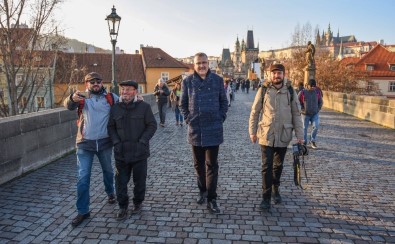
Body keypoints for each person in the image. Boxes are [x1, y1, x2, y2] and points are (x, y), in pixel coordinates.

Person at [64, 72, 117, 227]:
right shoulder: (81, 97)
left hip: (105, 143)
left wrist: (136, 99)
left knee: (108, 171)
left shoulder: (111, 98)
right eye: (92, 81)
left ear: (102, 83)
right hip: (85, 144)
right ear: (86, 84)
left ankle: (110, 192)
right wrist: (71, 98)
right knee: (83, 178)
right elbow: (68, 105)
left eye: (98, 81)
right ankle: (83, 211)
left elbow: (126, 104)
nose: (95, 84)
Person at [249, 64, 304, 210]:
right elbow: (255, 112)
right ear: (269, 74)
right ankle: (265, 197)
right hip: (266, 133)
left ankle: (275, 188)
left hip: (284, 134)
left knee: (278, 166)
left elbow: (297, 114)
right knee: (266, 166)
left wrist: (300, 135)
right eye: (274, 74)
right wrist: (252, 132)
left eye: (279, 73)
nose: (276, 76)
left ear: (283, 74)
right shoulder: (264, 89)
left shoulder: (291, 91)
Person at [180, 52, 228, 214]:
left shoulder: (217, 80)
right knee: (198, 165)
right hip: (195, 129)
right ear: (194, 65)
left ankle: (212, 199)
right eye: (199, 63)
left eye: (204, 62)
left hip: (213, 129)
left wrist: (220, 117)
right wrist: (188, 119)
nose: (202, 65)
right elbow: (183, 104)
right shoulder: (187, 82)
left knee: (212, 166)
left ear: (209, 64)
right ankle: (202, 190)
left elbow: (224, 102)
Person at [107, 80, 157, 221]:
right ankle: (123, 206)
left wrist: (142, 141)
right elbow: (110, 127)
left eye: (128, 89)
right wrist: (116, 142)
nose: (125, 92)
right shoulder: (115, 108)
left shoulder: (144, 107)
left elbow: (152, 125)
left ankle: (138, 202)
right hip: (121, 152)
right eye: (123, 89)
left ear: (135, 91)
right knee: (120, 181)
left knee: (139, 181)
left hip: (139, 152)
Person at [298, 79, 323, 149]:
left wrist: (318, 109)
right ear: (308, 85)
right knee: (304, 128)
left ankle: (312, 140)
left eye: (314, 86)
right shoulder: (302, 92)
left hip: (315, 113)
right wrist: (302, 110)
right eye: (311, 86)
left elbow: (320, 102)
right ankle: (304, 142)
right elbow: (297, 102)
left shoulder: (317, 92)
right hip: (305, 114)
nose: (313, 88)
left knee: (316, 126)